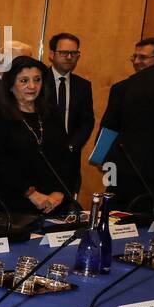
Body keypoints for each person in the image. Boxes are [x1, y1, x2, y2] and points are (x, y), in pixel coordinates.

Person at [0, 57, 73, 215]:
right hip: (12, 205)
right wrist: (30, 193)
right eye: (24, 80)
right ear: (11, 85)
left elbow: (65, 156)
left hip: (52, 203)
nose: (32, 86)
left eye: (37, 79)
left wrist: (60, 192)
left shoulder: (51, 113)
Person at [98, 40, 154, 213]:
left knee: (119, 221)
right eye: (135, 56)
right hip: (144, 172)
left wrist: (102, 158)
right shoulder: (123, 87)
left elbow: (108, 129)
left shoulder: (123, 87)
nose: (137, 61)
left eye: (143, 57)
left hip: (125, 171)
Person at [45, 32, 93, 195]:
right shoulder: (38, 81)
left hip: (69, 157)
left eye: (74, 53)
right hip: (41, 155)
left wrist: (72, 146)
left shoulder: (83, 85)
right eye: (64, 52)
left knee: (65, 210)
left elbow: (87, 121)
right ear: (51, 55)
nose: (69, 57)